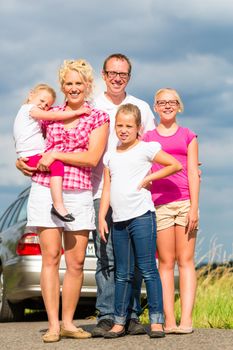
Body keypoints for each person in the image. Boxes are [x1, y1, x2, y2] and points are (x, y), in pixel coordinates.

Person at [16, 59, 109, 343]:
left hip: (79, 192)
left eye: (78, 83)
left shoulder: (98, 117)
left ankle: (69, 322)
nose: (73, 88)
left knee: (77, 261)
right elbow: (30, 142)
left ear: (88, 85)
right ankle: (54, 325)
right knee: (50, 258)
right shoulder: (49, 113)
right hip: (45, 189)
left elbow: (92, 158)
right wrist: (21, 161)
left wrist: (56, 155)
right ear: (62, 86)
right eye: (68, 83)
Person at [98, 103, 182, 338]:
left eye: (128, 126)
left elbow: (175, 165)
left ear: (138, 128)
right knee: (122, 273)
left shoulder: (146, 148)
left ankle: (156, 321)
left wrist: (150, 177)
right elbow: (107, 189)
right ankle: (118, 322)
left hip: (142, 216)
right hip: (119, 221)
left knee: (147, 270)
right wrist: (101, 217)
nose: (123, 130)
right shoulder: (110, 156)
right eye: (119, 125)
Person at [91, 53, 156, 337]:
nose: (117, 78)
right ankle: (107, 314)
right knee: (108, 257)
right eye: (112, 73)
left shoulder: (140, 106)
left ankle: (130, 315)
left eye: (123, 74)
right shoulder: (93, 104)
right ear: (103, 75)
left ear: (129, 76)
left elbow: (154, 146)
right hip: (99, 190)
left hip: (135, 195)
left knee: (136, 260)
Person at [143, 88, 200, 334]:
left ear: (179, 106)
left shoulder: (189, 136)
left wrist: (194, 208)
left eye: (172, 102)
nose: (167, 106)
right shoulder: (147, 137)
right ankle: (169, 320)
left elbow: (194, 174)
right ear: (155, 107)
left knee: (185, 261)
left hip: (185, 202)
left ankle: (186, 320)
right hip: (159, 204)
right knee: (165, 263)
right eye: (162, 102)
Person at [13, 83, 91, 222]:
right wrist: (76, 113)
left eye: (47, 105)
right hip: (32, 155)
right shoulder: (29, 109)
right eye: (42, 101)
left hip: (29, 155)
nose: (44, 106)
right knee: (57, 166)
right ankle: (58, 205)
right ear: (31, 95)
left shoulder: (26, 115)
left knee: (54, 166)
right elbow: (53, 115)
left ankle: (57, 204)